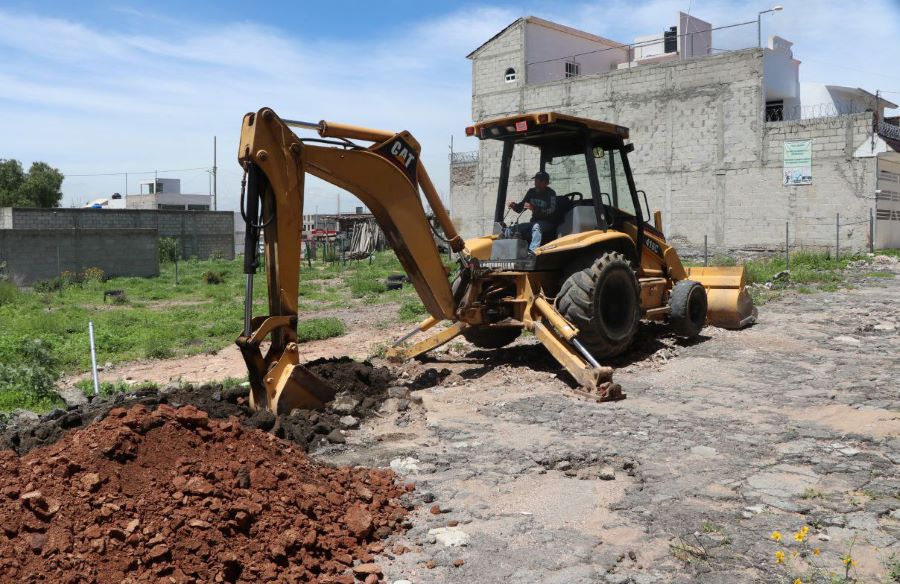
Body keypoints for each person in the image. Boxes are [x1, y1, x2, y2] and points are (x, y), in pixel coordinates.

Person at [507, 171, 560, 254]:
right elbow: (521, 207)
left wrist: (534, 208)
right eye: (536, 181)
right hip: (534, 222)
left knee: (536, 226)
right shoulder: (531, 192)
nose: (536, 183)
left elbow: (551, 210)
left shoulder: (551, 193)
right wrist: (514, 206)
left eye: (539, 181)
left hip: (548, 223)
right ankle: (510, 252)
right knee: (514, 228)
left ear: (545, 183)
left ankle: (532, 253)